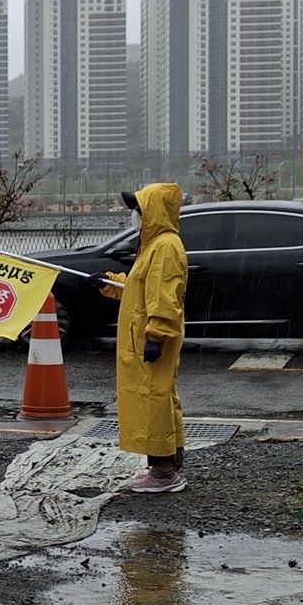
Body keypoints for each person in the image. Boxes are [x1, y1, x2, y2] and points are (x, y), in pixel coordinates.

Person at [87, 184, 188, 493]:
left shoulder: (165, 247)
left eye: (138, 209)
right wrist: (110, 282)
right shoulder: (155, 245)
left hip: (150, 340)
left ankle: (163, 472)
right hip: (145, 337)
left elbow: (164, 297)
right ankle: (169, 464)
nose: (134, 215)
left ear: (152, 212)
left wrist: (156, 335)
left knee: (153, 401)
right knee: (159, 399)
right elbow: (140, 288)